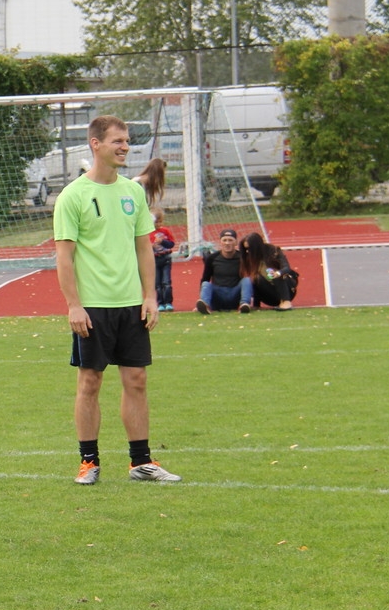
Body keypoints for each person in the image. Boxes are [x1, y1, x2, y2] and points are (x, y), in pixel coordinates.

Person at [53, 114, 180, 486]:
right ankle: (88, 462)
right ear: (96, 144)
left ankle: (141, 462)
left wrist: (150, 296)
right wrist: (74, 304)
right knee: (90, 382)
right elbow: (64, 256)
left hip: (131, 305)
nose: (125, 147)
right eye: (117, 141)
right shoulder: (73, 196)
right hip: (92, 307)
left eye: (126, 141)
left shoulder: (133, 192)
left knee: (136, 379)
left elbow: (144, 248)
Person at [195, 228, 254, 314]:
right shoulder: (212, 258)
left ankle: (244, 305)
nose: (227, 243)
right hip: (218, 295)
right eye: (224, 240)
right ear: (220, 242)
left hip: (235, 294)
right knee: (206, 284)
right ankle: (204, 305)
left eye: (230, 240)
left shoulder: (243, 258)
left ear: (236, 242)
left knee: (247, 280)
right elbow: (205, 278)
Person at [239, 232, 298, 310]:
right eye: (246, 249)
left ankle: (286, 302)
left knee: (274, 274)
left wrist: (277, 273)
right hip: (268, 295)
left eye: (249, 249)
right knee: (254, 278)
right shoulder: (248, 258)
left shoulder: (273, 250)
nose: (247, 251)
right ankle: (256, 305)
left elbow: (286, 268)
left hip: (287, 289)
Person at [150, 207, 177, 312]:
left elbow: (171, 244)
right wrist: (151, 246)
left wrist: (162, 242)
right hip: (154, 260)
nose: (158, 224)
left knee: (166, 282)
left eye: (160, 222)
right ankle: (160, 303)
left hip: (165, 258)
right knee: (157, 283)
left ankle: (168, 302)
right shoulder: (148, 233)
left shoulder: (165, 231)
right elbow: (145, 247)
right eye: (156, 222)